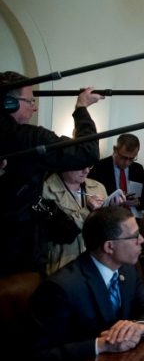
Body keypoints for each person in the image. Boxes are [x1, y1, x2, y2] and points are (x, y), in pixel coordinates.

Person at [27, 207, 144, 361]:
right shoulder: (61, 287)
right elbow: (38, 357)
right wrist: (102, 344)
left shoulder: (127, 271)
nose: (142, 240)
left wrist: (139, 327)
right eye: (135, 236)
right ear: (109, 246)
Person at [0, 71, 103, 275]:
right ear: (9, 103)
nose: (34, 106)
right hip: (16, 259)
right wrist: (81, 108)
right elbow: (87, 152)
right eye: (30, 100)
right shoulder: (30, 138)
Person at [42, 166, 126, 275]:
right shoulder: (46, 189)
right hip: (64, 266)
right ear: (67, 162)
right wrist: (87, 211)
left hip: (97, 264)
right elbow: (58, 232)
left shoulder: (98, 187)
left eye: (90, 165)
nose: (87, 170)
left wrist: (112, 210)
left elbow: (106, 231)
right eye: (81, 166)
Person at [88, 133, 144, 215]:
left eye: (131, 159)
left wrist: (138, 202)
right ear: (115, 150)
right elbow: (89, 196)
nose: (127, 163)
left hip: (132, 219)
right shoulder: (99, 167)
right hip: (107, 218)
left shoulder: (138, 169)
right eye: (123, 157)